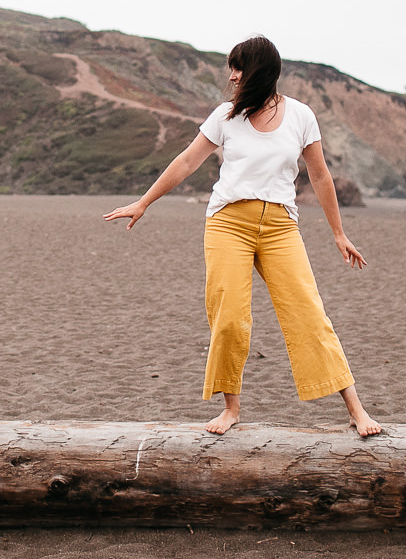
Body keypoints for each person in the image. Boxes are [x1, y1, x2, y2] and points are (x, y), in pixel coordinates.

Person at [104, 36, 383, 437]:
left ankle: (357, 411)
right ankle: (230, 409)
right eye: (231, 68)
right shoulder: (225, 117)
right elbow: (187, 160)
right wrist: (144, 202)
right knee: (230, 317)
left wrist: (338, 233)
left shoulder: (301, 116)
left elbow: (320, 176)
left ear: (261, 72)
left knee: (308, 314)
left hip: (280, 227)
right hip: (227, 223)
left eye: (239, 68)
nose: (232, 76)